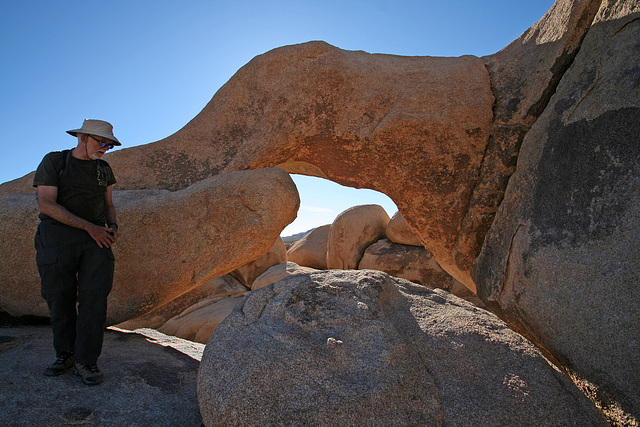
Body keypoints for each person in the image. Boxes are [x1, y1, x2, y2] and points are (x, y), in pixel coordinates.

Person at [33, 119, 121, 385]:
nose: (105, 148)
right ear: (82, 137)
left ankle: (87, 362)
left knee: (95, 299)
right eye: (101, 142)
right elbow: (46, 204)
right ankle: (65, 354)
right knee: (59, 297)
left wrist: (113, 226)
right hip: (58, 237)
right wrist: (89, 228)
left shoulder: (104, 169)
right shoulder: (55, 162)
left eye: (109, 144)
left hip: (97, 241)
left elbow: (108, 204)